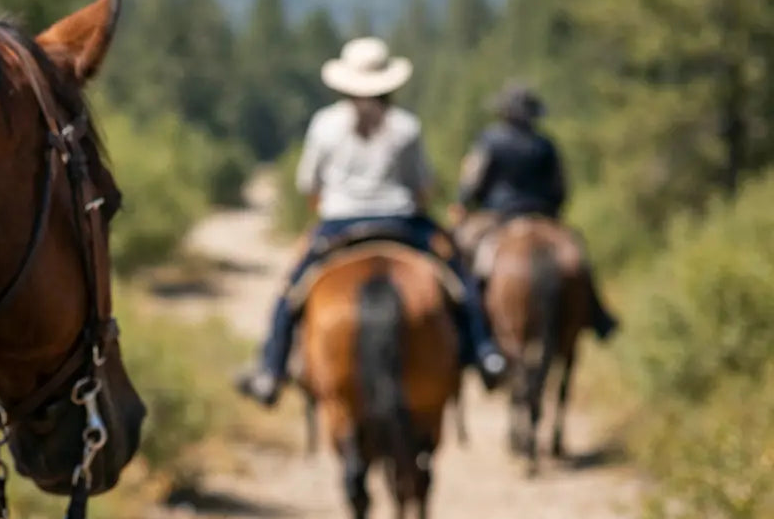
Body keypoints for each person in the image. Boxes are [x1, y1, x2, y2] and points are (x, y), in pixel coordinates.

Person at [239, 38, 509, 408]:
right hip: (403, 222)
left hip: (337, 224)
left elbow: (310, 187)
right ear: (390, 84)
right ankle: (485, 351)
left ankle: (270, 369)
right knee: (460, 281)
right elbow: (423, 188)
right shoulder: (406, 126)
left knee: (290, 292)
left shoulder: (324, 124)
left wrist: (328, 211)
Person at [453, 81, 618, 339]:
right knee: (577, 254)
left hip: (498, 216)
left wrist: (462, 203)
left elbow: (472, 180)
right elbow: (560, 187)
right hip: (543, 215)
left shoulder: (489, 140)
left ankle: (467, 319)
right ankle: (598, 316)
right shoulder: (545, 144)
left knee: (463, 252)